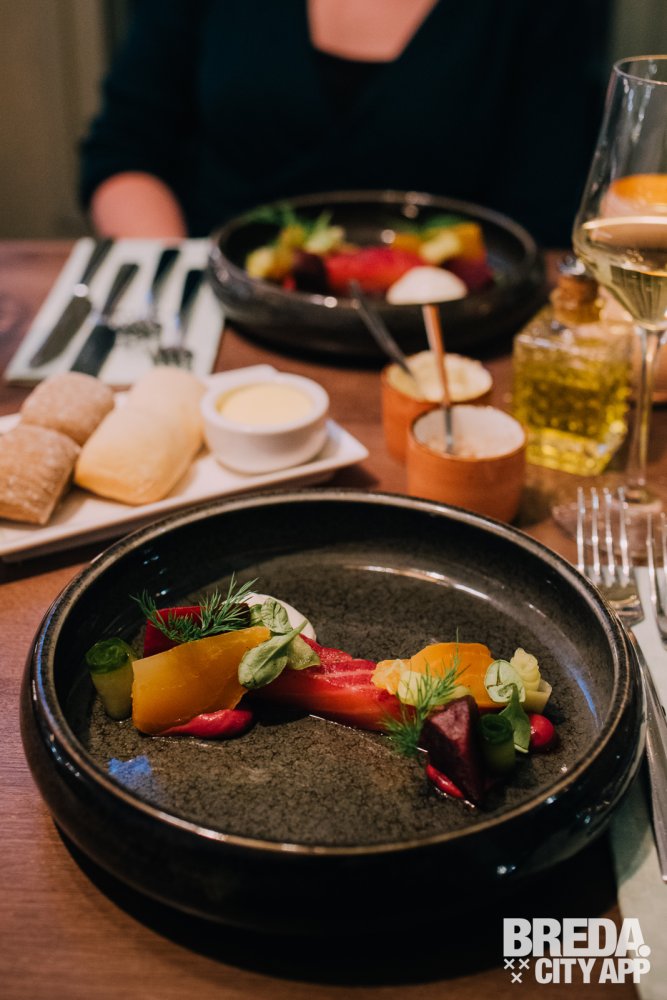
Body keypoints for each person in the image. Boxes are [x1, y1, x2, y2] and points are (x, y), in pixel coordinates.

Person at [80, 0, 610, 246]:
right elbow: (125, 150)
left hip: (449, 339)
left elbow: (542, 214)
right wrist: (173, 278)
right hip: (217, 321)